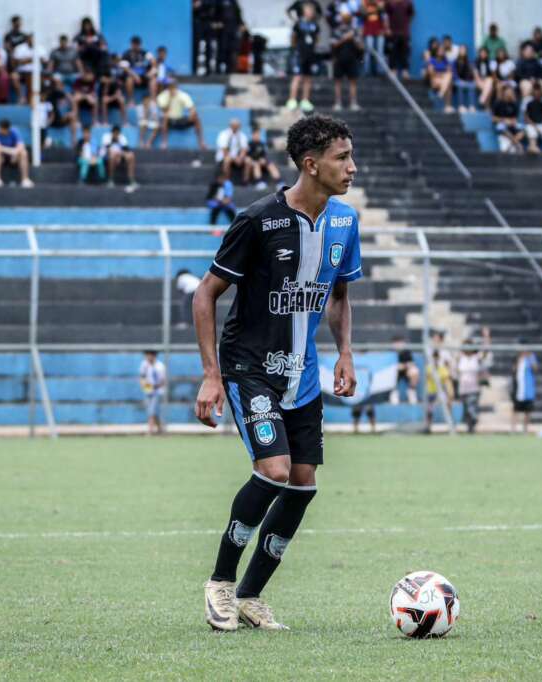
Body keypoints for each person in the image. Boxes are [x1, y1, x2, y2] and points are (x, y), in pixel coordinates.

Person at [194, 115, 361, 631]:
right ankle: (220, 582)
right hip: (250, 368)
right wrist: (211, 375)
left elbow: (337, 295)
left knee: (303, 482)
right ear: (311, 165)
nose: (352, 168)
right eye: (342, 158)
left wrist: (345, 353)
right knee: (275, 470)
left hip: (303, 376)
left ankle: (250, 596)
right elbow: (205, 295)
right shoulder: (257, 220)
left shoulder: (344, 223)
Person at [456, 327, 492, 434]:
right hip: (463, 388)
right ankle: (470, 428)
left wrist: (486, 337)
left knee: (472, 407)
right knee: (466, 409)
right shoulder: (460, 357)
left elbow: (485, 351)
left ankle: (474, 421)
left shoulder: (476, 357)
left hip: (474, 387)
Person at [286, 2, 320, 112]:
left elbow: (317, 39)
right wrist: (296, 49)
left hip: (310, 54)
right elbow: (293, 38)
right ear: (304, 12)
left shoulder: (315, 25)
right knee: (297, 77)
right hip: (299, 53)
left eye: (312, 11)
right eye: (308, 10)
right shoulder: (298, 24)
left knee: (308, 78)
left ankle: (305, 100)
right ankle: (292, 99)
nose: (310, 13)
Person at [157, 79, 207, 151]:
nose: (171, 88)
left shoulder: (182, 95)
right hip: (169, 120)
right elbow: (164, 109)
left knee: (196, 118)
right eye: (170, 86)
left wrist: (192, 114)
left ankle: (201, 142)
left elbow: (191, 108)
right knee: (165, 117)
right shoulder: (162, 96)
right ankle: (164, 142)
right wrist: (170, 98)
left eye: (173, 86)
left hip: (180, 119)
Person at [330, 10, 362, 112]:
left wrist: (353, 39)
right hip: (339, 59)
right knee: (338, 82)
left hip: (352, 59)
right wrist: (345, 38)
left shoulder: (355, 31)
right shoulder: (336, 30)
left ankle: (353, 103)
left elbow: (361, 47)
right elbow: (333, 44)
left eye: (347, 16)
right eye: (344, 16)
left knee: (353, 82)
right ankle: (338, 103)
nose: (346, 18)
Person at [0, 119, 34, 188]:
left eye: (0, 129)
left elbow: (21, 146)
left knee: (24, 153)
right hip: (2, 157)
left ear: (6, 129)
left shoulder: (14, 131)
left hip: (14, 157)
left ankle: (25, 179)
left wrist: (15, 153)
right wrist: (12, 151)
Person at [423, 348, 454, 432]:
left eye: (437, 357)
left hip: (440, 392)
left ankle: (450, 424)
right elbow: (426, 378)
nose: (435, 359)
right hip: (431, 392)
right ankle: (428, 426)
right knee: (429, 409)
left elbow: (447, 382)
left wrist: (450, 394)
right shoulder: (428, 368)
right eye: (434, 357)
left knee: (448, 404)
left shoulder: (442, 369)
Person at [101, 125, 137, 189]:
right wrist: (117, 154)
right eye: (115, 133)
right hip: (107, 156)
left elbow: (127, 150)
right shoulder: (106, 137)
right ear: (112, 133)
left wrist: (120, 155)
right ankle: (110, 180)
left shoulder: (122, 137)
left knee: (131, 155)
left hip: (120, 156)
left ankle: (131, 180)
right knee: (112, 155)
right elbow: (108, 150)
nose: (116, 135)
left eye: (117, 133)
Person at [139, 349, 167, 435]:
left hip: (157, 392)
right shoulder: (144, 365)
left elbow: (162, 381)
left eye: (149, 355)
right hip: (148, 391)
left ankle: (150, 431)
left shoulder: (160, 366)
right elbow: (142, 376)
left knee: (152, 411)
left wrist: (153, 387)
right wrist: (145, 385)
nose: (147, 357)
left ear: (154, 356)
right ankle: (160, 430)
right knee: (154, 411)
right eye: (146, 355)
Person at [384, 0, 413, 79]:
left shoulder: (408, 2)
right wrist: (387, 28)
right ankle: (393, 70)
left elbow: (411, 14)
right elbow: (386, 15)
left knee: (405, 52)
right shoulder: (389, 3)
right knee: (393, 52)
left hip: (404, 32)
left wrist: (406, 27)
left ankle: (405, 71)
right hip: (393, 32)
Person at [491, 86, 524, 154]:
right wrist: (504, 120)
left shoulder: (514, 104)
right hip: (501, 123)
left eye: (511, 92)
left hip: (511, 124)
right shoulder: (498, 103)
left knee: (523, 128)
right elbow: (493, 119)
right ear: (504, 93)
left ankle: (511, 143)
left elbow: (515, 118)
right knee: (501, 127)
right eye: (508, 92)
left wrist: (511, 121)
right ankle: (517, 143)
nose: (510, 93)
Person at [511, 348, 536, 434]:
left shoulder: (531, 357)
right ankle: (513, 430)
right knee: (516, 410)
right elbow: (513, 370)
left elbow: (535, 369)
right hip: (518, 389)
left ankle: (525, 430)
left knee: (527, 410)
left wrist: (529, 358)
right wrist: (519, 361)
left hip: (528, 389)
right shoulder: (517, 358)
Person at [390, 335, 418, 405]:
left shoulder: (407, 352)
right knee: (391, 372)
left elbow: (411, 364)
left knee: (414, 371)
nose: (399, 345)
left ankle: (411, 391)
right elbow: (390, 366)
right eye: (397, 343)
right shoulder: (390, 353)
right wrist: (403, 365)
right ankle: (393, 393)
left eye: (401, 343)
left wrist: (403, 366)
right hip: (395, 374)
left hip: (406, 372)